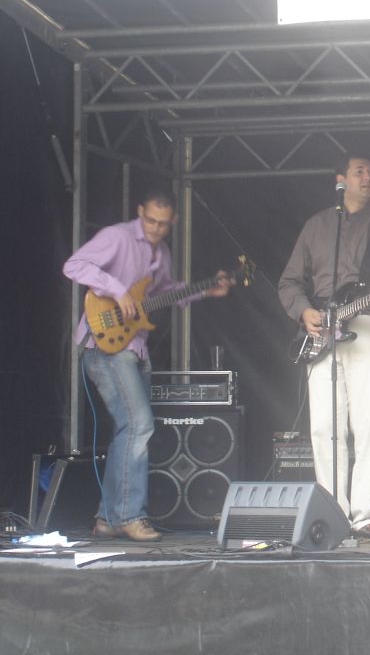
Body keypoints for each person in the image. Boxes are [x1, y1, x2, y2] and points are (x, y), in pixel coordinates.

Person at [63, 187, 232, 541]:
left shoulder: (163, 252)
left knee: (128, 430)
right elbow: (74, 265)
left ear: (174, 221)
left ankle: (108, 518)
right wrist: (116, 290)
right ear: (140, 212)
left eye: (162, 224)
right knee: (139, 425)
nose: (154, 229)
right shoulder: (117, 237)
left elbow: (163, 293)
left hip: (135, 346)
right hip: (105, 344)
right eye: (150, 221)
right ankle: (130, 515)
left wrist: (206, 290)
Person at [278, 155, 370, 536]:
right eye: (359, 172)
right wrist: (304, 311)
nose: (368, 177)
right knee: (324, 426)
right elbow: (289, 282)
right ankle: (332, 511)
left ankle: (365, 513)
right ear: (340, 180)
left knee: (369, 422)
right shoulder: (317, 225)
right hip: (323, 332)